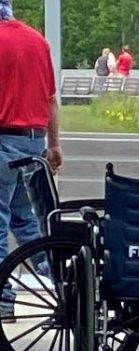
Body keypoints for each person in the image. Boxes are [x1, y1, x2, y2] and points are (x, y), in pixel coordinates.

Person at [0, 0, 62, 260]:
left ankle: (2, 296)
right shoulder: (37, 41)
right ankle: (61, 280)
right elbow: (50, 99)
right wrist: (55, 144)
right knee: (26, 220)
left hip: (3, 140)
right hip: (34, 144)